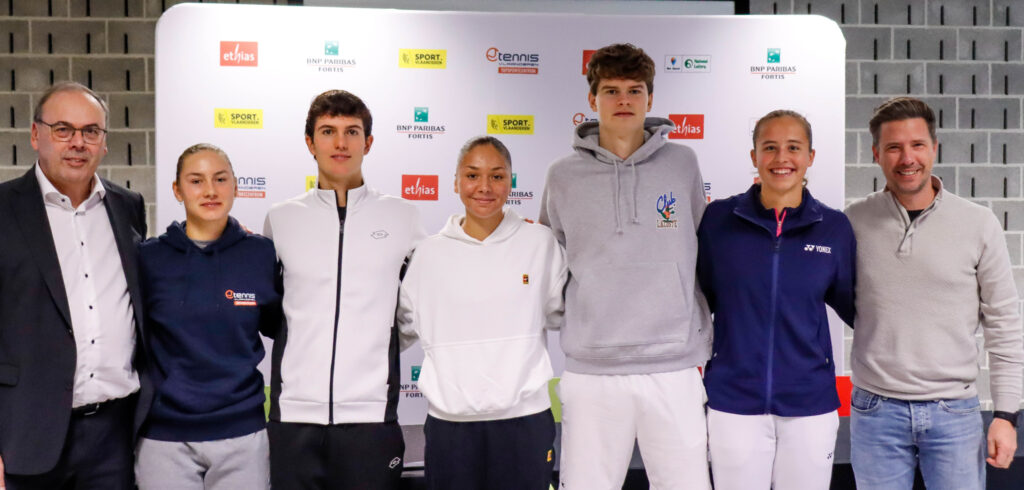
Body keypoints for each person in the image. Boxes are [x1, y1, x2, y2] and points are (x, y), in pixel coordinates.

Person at [539, 43, 712, 489]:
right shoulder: (561, 175)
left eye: (634, 91)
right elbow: (550, 261)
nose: (623, 101)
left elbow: (699, 243)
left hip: (673, 364)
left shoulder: (682, 163)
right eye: (611, 90)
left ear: (650, 100)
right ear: (591, 100)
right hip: (592, 367)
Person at [846, 96, 1023, 489]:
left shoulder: (979, 223)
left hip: (954, 413)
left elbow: (1004, 325)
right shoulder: (852, 222)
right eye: (893, 147)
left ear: (934, 149)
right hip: (875, 410)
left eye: (917, 145)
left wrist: (1007, 416)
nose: (907, 158)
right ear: (876, 154)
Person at [262, 89, 426, 489]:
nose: (340, 142)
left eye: (352, 131)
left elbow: (415, 309)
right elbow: (272, 311)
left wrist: (377, 341)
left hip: (371, 419)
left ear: (368, 143)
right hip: (294, 417)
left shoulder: (404, 217)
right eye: (328, 131)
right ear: (310, 142)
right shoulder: (281, 219)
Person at [0, 81, 151, 489]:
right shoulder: (4, 209)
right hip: (25, 436)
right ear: (36, 135)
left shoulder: (128, 208)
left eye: (91, 131)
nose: (77, 142)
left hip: (114, 436)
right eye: (63, 129)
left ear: (104, 142)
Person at [696, 110, 855, 490]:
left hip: (809, 403)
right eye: (770, 147)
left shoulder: (834, 228)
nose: (781, 158)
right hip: (733, 401)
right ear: (754, 156)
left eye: (793, 148)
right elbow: (704, 299)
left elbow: (855, 306)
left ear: (810, 157)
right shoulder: (719, 220)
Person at [397, 136, 567, 490]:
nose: (485, 187)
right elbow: (402, 330)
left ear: (511, 182)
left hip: (525, 422)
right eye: (473, 175)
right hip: (450, 427)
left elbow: (562, 315)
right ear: (456, 182)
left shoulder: (541, 244)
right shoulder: (427, 255)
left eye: (497, 175)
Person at [134, 144, 280, 489]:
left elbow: (283, 326)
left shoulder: (260, 254)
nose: (210, 191)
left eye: (220, 179)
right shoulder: (149, 258)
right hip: (165, 438)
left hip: (242, 434)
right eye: (196, 181)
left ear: (235, 186)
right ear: (177, 190)